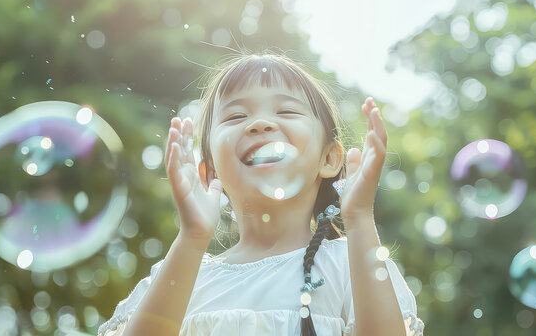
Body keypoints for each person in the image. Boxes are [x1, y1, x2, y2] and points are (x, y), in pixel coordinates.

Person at [97, 51, 424, 335]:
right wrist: (192, 237)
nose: (261, 123)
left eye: (287, 112)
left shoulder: (350, 264)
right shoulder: (180, 273)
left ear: (329, 159)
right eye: (237, 116)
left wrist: (359, 218)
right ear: (210, 172)